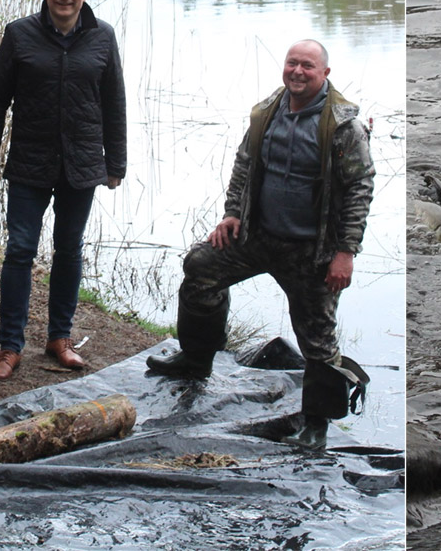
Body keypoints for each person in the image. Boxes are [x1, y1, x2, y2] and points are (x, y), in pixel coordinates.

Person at [147, 40, 375, 452]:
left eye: (308, 65)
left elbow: (360, 189)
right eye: (292, 63)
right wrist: (233, 213)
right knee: (201, 267)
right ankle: (196, 359)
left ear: (325, 73)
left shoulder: (344, 127)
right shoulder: (267, 111)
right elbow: (245, 164)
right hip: (258, 236)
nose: (298, 72)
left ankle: (317, 424)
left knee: (318, 338)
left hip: (311, 250)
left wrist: (346, 253)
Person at [0, 0, 126, 379]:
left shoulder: (102, 37)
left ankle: (59, 338)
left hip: (81, 165)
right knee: (20, 250)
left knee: (69, 250)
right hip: (29, 163)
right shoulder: (19, 34)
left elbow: (114, 102)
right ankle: (9, 347)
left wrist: (116, 162)